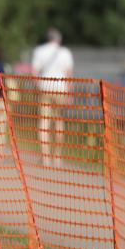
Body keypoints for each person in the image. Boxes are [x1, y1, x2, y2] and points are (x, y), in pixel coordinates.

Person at [31, 27, 74, 167]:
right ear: (59, 39)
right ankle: (57, 157)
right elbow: (69, 74)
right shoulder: (65, 52)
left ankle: (46, 157)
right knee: (59, 122)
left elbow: (34, 72)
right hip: (61, 89)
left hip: (45, 87)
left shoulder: (39, 50)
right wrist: (70, 93)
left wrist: (37, 87)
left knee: (44, 122)